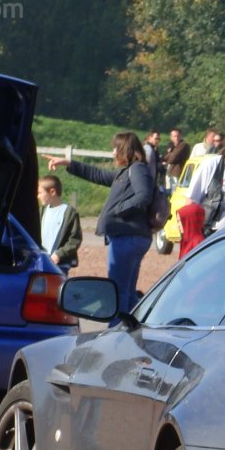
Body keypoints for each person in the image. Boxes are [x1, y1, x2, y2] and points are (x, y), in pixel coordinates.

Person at [48, 132, 154, 314]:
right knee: (126, 292)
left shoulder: (137, 169)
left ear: (125, 150)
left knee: (117, 292)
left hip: (127, 236)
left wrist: (118, 209)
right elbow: (98, 174)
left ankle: (116, 327)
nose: (113, 153)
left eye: (116, 148)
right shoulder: (128, 171)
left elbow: (144, 196)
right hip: (129, 236)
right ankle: (130, 326)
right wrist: (69, 163)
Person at [36, 174, 82, 273]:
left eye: (40, 193)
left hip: (60, 264)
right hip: (43, 261)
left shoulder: (69, 212)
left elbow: (75, 239)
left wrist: (59, 254)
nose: (38, 196)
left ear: (52, 192)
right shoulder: (42, 211)